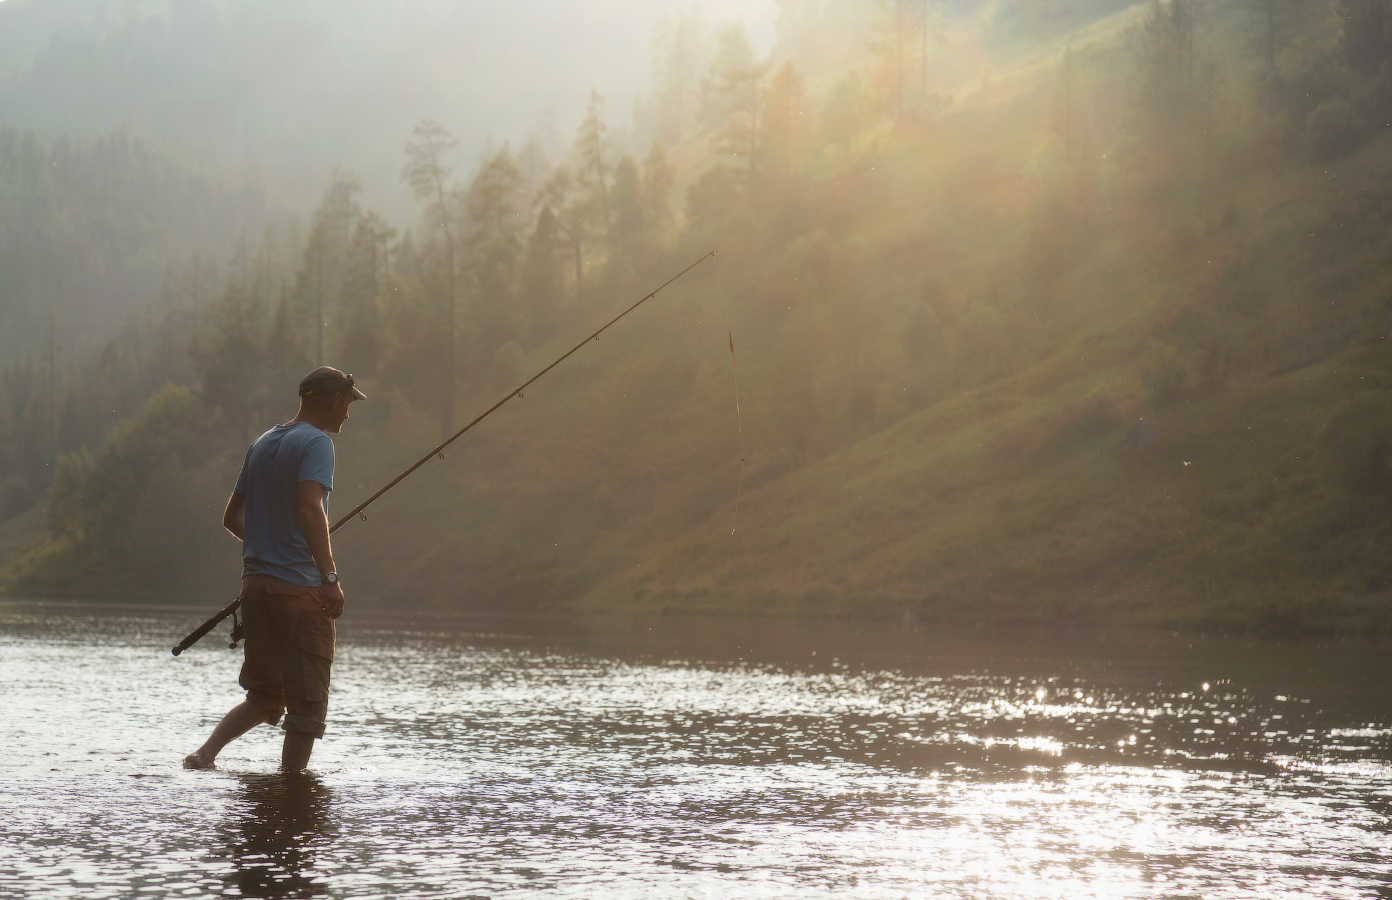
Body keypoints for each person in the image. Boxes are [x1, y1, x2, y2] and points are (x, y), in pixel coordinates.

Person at [184, 366, 365, 772]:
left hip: (256, 588)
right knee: (308, 703)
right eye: (349, 403)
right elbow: (309, 507)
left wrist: (269, 546)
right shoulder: (317, 443)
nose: (349, 414)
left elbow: (232, 517)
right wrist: (330, 577)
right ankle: (290, 786)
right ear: (335, 400)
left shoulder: (262, 443)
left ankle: (203, 755)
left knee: (265, 695)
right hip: (300, 592)